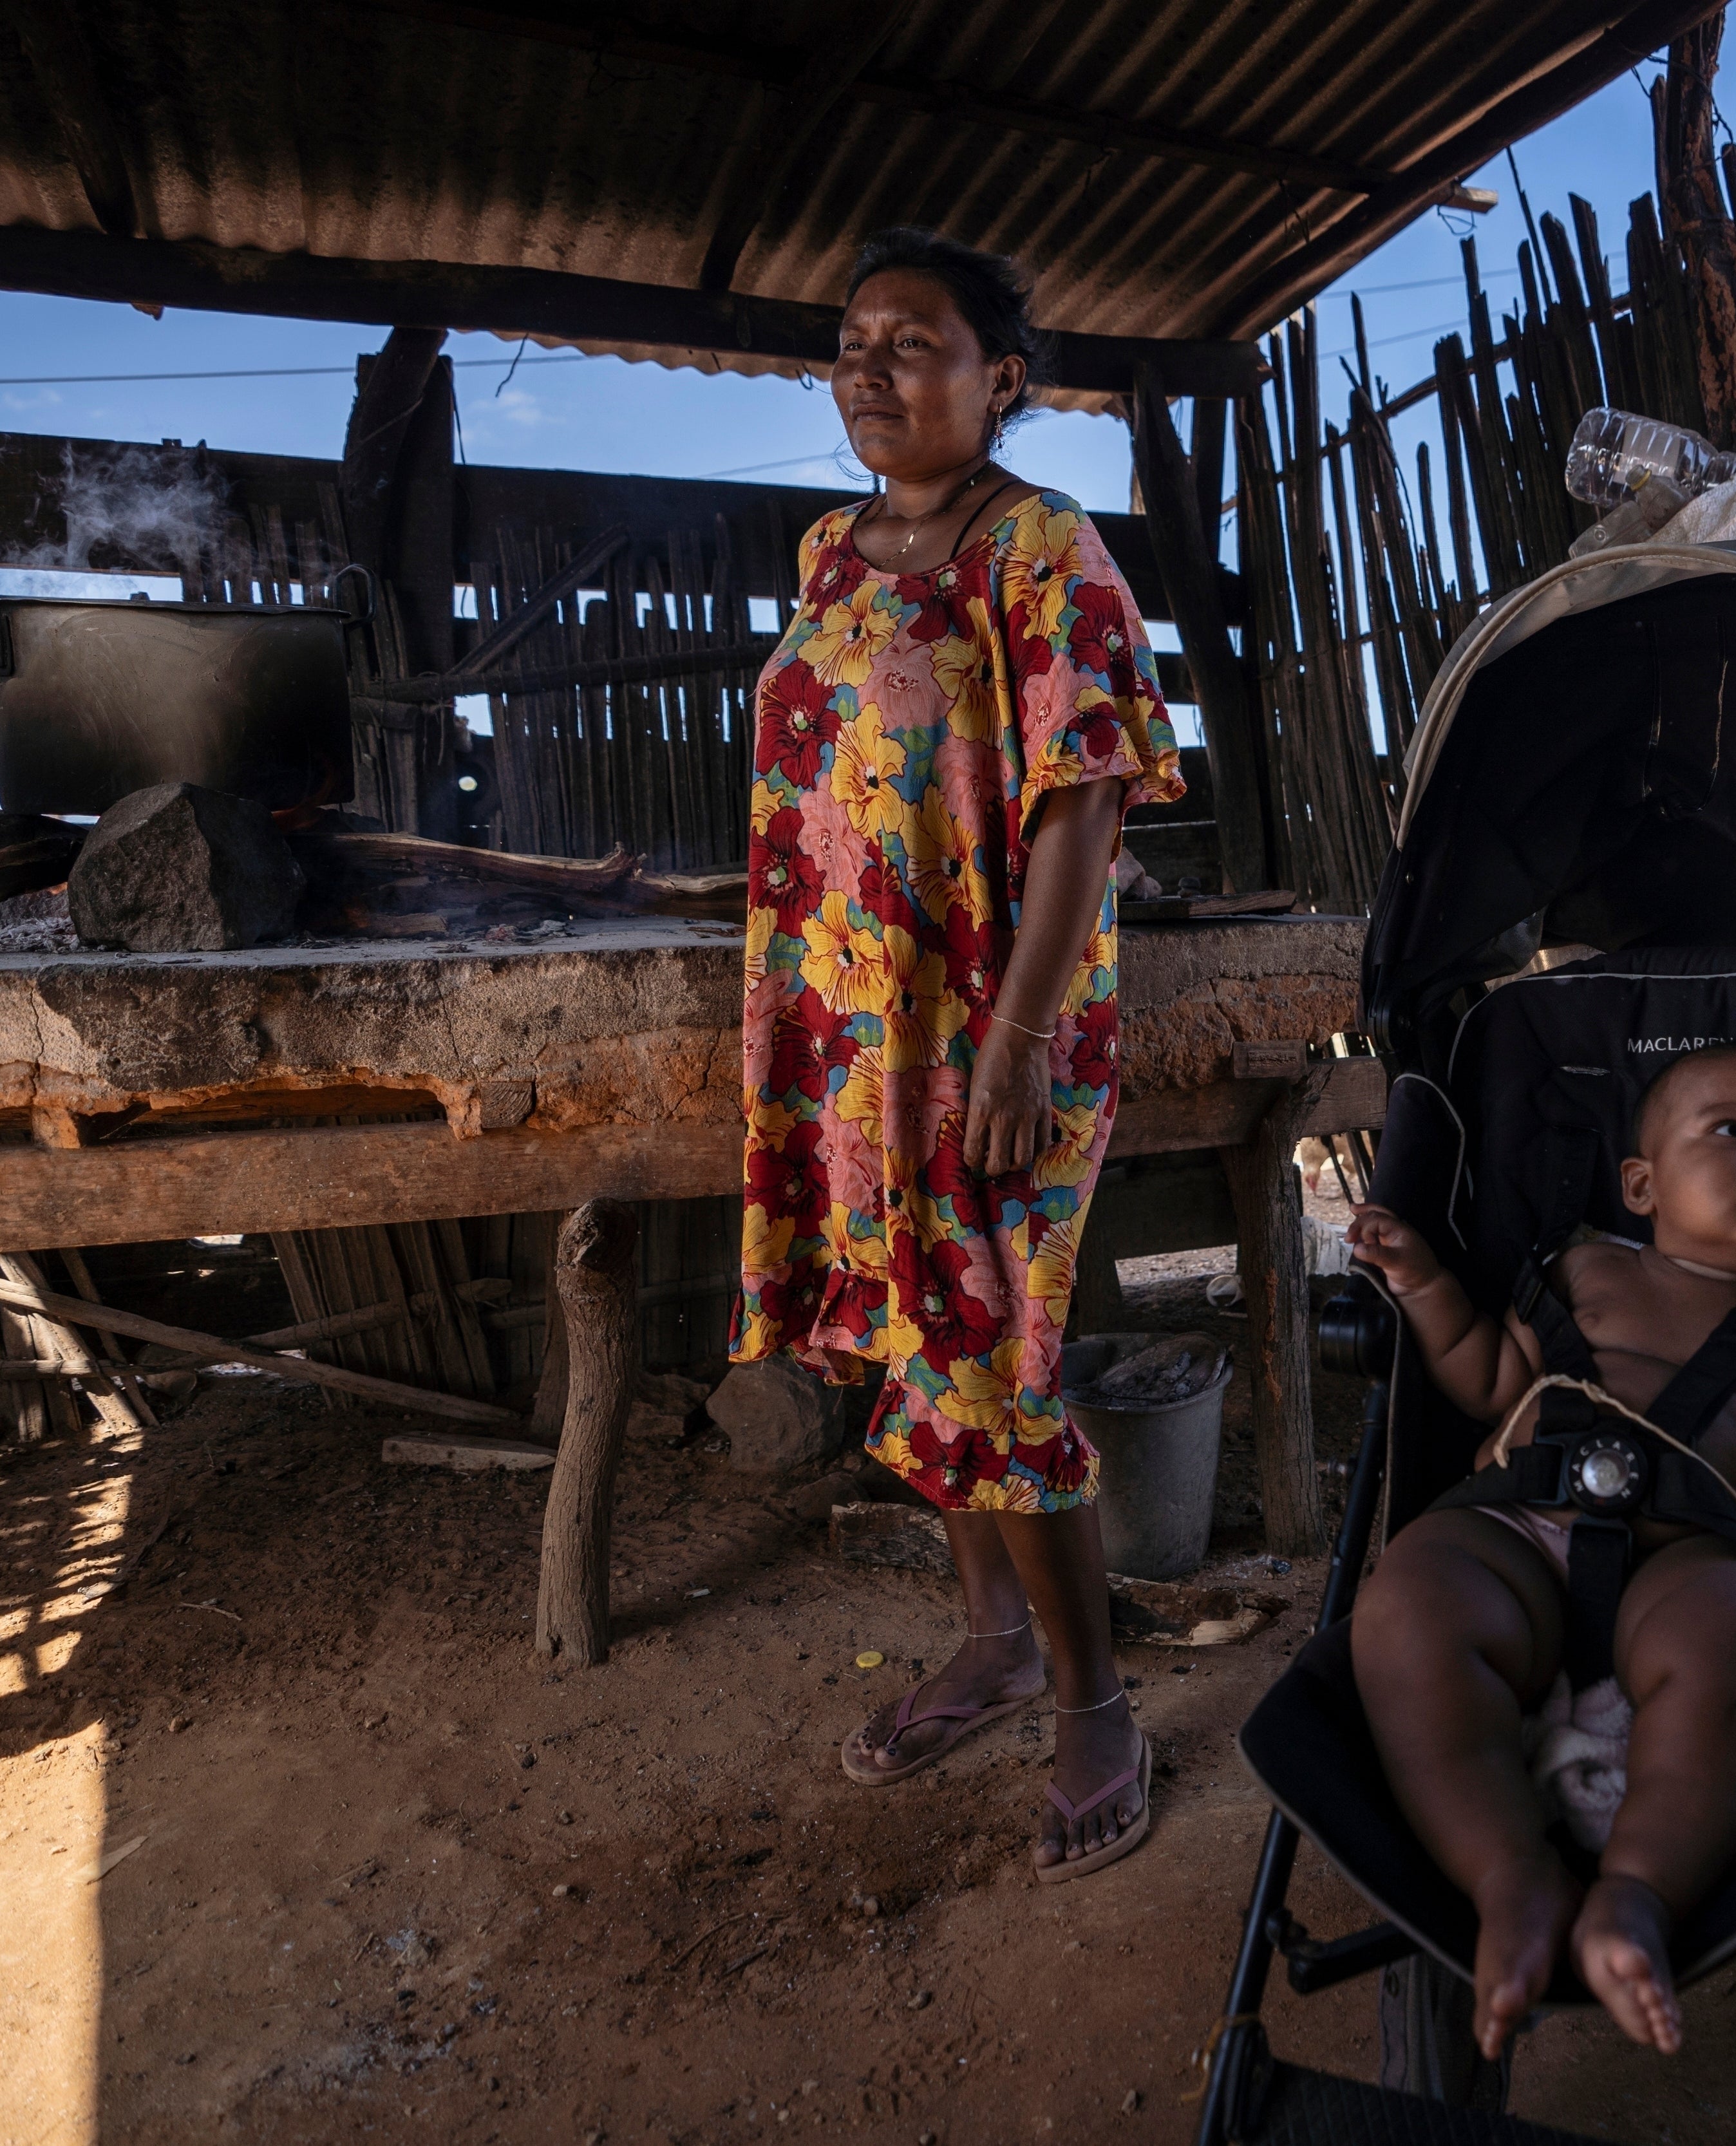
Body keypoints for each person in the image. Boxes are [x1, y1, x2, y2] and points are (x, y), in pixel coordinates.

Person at [734, 229, 1182, 1882]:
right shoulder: (829, 553)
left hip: (989, 1025)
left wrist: (1014, 1039)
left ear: (1005, 381)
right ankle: (992, 1637)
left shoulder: (1041, 549)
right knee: (914, 1328)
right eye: (850, 343)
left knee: (991, 1349)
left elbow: (1085, 796)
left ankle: (1093, 1698)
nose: (868, 367)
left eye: (912, 342)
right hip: (851, 1027)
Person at [1341, 1044, 1736, 2054]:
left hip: (1697, 1557)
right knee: (1406, 1602)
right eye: (1731, 1131)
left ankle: (1637, 1892)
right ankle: (1512, 1873)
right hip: (1517, 1524)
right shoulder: (1580, 1269)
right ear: (1641, 1185)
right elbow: (1483, 1377)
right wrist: (1424, 1286)